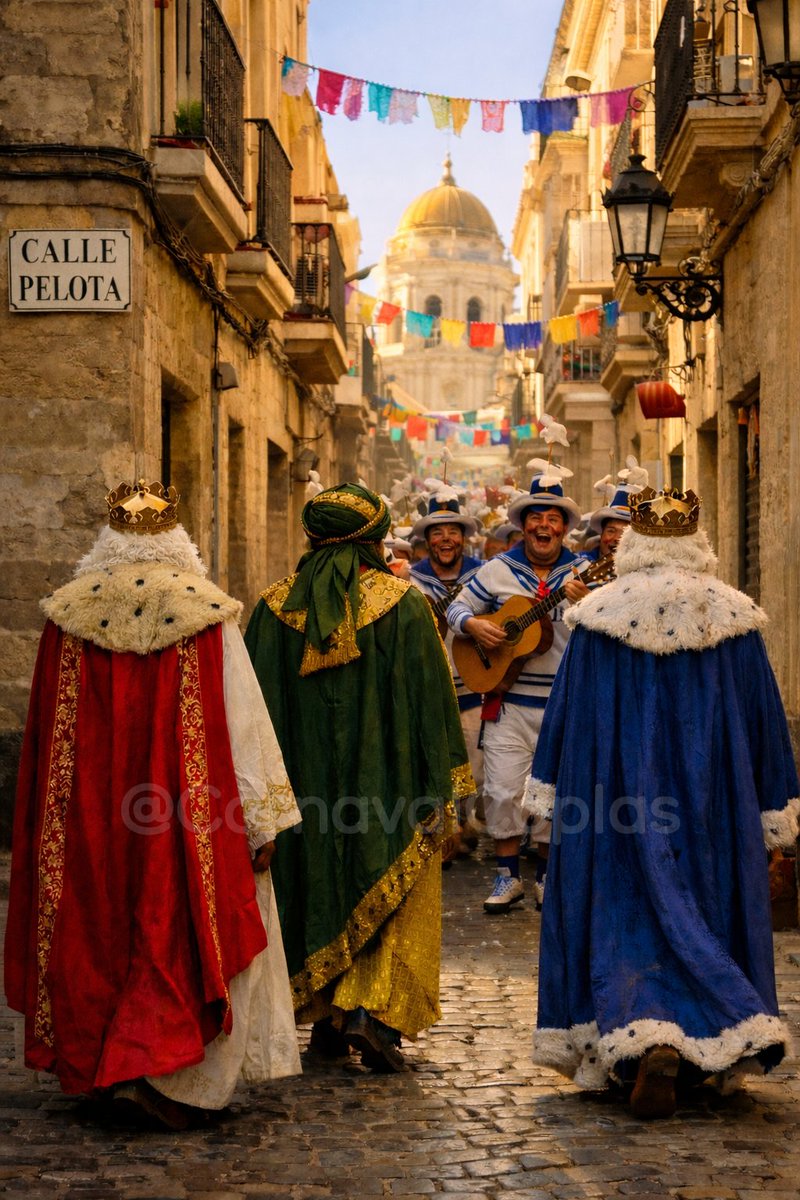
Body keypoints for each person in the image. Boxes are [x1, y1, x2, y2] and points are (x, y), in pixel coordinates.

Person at [4, 480, 302, 1129]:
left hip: (89, 821)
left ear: (107, 539)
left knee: (96, 924)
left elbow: (45, 736)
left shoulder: (68, 616)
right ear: (177, 540)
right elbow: (240, 721)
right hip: (181, 820)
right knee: (176, 923)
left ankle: (107, 1068)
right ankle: (170, 1078)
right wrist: (260, 820)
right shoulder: (206, 614)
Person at [526, 486, 800, 1119]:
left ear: (635, 544)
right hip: (712, 805)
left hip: (615, 804)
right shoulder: (733, 616)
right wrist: (773, 810)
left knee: (622, 910)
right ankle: (704, 1036)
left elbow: (566, 714)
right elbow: (764, 720)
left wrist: (551, 789)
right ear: (698, 544)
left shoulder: (598, 616)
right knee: (706, 906)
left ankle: (645, 1039)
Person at [244, 483, 473, 1072]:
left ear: (312, 537)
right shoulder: (405, 605)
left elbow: (249, 709)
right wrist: (446, 791)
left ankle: (325, 1017)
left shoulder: (271, 609)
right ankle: (369, 1012)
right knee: (387, 875)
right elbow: (433, 704)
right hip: (390, 785)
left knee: (314, 883)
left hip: (299, 790)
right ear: (375, 539)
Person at [446, 474, 589, 913]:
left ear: (564, 527)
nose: (544, 525)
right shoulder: (497, 570)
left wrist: (587, 603)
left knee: (553, 792)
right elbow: (457, 607)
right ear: (523, 525)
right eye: (535, 518)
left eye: (553, 519)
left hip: (565, 701)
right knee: (503, 790)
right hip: (507, 700)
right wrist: (474, 625)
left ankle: (545, 875)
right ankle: (507, 876)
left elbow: (609, 627)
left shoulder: (584, 572)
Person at [409, 489, 484, 853]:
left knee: (476, 764)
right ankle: (441, 832)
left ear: (463, 537)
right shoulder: (410, 581)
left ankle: (467, 822)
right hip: (430, 689)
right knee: (432, 763)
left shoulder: (483, 576)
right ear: (427, 540)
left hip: (473, 686)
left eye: (453, 531)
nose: (446, 539)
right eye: (437, 532)